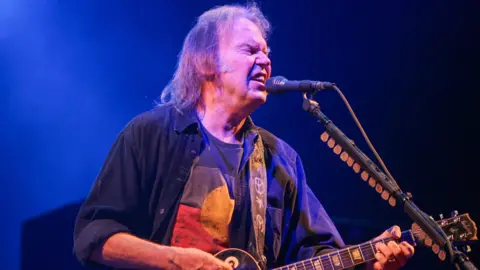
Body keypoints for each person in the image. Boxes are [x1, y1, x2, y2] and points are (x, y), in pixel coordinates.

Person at [73, 3, 415, 270]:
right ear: (206, 62)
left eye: (266, 52)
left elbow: (320, 252)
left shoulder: (279, 158)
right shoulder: (150, 134)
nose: (265, 61)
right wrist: (174, 260)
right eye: (250, 51)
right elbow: (93, 236)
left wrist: (366, 262)